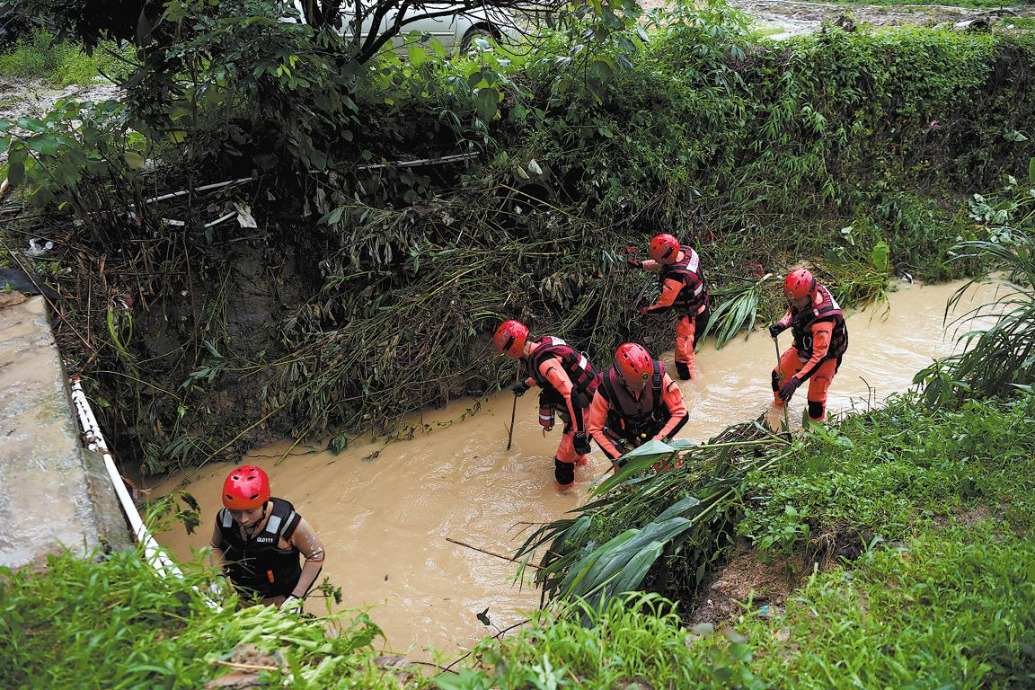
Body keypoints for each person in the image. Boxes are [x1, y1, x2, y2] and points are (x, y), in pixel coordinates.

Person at [494, 320, 599, 491]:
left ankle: (565, 498)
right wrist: (526, 384)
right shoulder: (541, 344)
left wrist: (580, 434)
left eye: (506, 350)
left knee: (563, 461)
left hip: (587, 408)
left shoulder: (544, 361)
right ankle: (583, 469)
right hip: (588, 402)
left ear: (513, 347)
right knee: (574, 451)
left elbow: (570, 393)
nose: (507, 354)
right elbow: (552, 375)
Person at [210, 465, 326, 611]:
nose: (243, 519)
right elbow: (215, 546)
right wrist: (218, 577)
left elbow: (316, 554)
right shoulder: (224, 519)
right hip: (244, 598)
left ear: (263, 504)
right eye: (235, 512)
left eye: (250, 511)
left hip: (281, 601)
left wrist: (296, 597)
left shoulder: (287, 523)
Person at [768, 268, 849, 425]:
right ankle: (778, 410)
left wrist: (795, 381)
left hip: (826, 357)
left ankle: (814, 430)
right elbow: (794, 311)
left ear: (809, 295)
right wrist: (782, 324)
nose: (794, 303)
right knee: (777, 376)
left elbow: (819, 356)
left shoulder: (823, 322)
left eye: (798, 300)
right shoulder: (803, 299)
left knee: (815, 400)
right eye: (792, 300)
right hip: (804, 347)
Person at [586, 342, 689, 466]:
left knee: (673, 467)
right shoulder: (606, 388)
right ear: (621, 379)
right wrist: (618, 458)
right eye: (637, 385)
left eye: (645, 383)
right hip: (623, 436)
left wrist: (656, 442)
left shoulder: (658, 377)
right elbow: (595, 429)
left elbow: (681, 413)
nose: (643, 386)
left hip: (656, 431)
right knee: (628, 477)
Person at [629, 233, 709, 381]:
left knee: (682, 359)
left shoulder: (676, 278)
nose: (655, 260)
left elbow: (663, 307)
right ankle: (691, 362)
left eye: (657, 258)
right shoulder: (686, 251)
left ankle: (689, 386)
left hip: (691, 321)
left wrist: (643, 311)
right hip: (702, 309)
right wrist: (642, 265)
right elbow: (665, 262)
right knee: (689, 349)